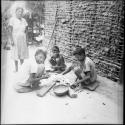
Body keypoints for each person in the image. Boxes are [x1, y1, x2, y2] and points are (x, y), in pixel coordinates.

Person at [8, 7, 29, 72]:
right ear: (16, 12)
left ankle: (22, 67)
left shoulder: (24, 20)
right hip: (15, 38)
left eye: (21, 12)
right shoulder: (12, 20)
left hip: (23, 38)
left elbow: (27, 31)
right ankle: (16, 68)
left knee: (22, 53)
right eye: (19, 11)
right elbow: (9, 31)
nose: (20, 13)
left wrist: (27, 40)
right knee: (16, 53)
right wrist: (11, 40)